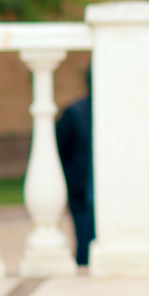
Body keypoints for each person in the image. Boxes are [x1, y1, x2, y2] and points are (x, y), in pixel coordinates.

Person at [53, 89, 94, 267]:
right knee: (85, 242)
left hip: (104, 191)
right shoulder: (75, 113)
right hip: (81, 191)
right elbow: (58, 148)